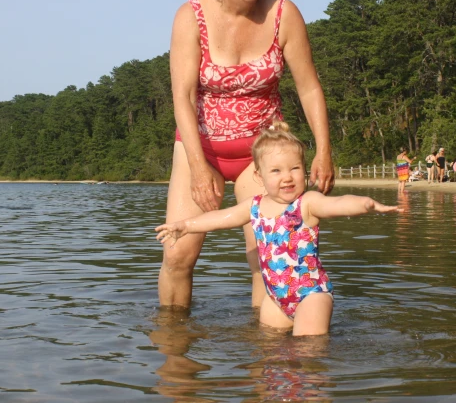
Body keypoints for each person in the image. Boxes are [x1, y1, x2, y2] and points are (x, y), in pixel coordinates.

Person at [160, 0, 335, 310]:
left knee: (265, 260)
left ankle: (266, 357)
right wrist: (197, 164)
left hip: (262, 156)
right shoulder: (190, 16)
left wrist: (324, 149)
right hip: (199, 147)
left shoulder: (283, 14)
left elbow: (308, 87)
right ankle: (174, 352)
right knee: (177, 255)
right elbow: (183, 96)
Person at [156, 122, 399, 336]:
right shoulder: (254, 207)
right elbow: (220, 218)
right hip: (276, 299)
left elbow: (337, 203)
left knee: (307, 352)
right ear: (259, 176)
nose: (287, 177)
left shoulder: (307, 203)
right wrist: (186, 225)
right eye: (276, 171)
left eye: (294, 168)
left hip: (311, 295)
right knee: (270, 349)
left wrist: (366, 204)